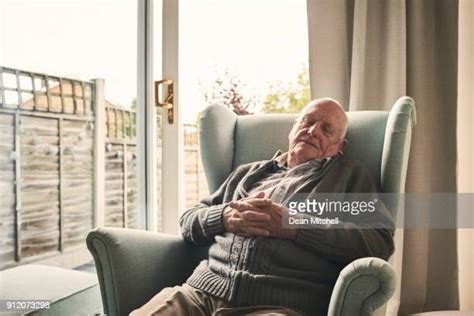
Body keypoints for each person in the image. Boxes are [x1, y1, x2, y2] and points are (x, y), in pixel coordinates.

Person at [130, 98, 395, 316]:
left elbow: (378, 241)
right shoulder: (246, 173)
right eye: (308, 121)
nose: (313, 131)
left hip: (277, 306)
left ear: (339, 147)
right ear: (293, 128)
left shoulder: (348, 176)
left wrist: (294, 225)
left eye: (326, 129)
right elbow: (188, 221)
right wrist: (223, 216)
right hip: (199, 295)